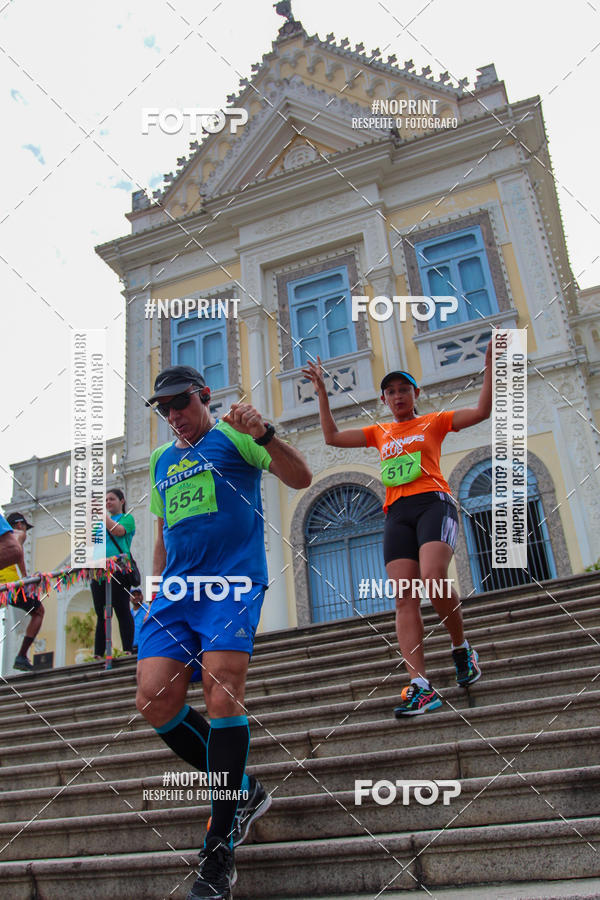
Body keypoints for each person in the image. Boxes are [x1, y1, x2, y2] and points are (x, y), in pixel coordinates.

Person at [136, 365, 311, 900]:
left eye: (180, 404)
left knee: (221, 689)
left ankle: (217, 848)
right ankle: (245, 791)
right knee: (154, 700)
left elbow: (300, 477)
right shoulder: (161, 460)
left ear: (204, 397)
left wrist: (265, 434)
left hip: (231, 584)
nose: (173, 416)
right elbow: (165, 531)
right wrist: (154, 590)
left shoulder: (236, 434)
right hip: (175, 592)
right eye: (164, 409)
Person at [302, 341, 492, 717]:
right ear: (385, 400)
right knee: (404, 598)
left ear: (415, 394)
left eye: (404, 389)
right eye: (391, 391)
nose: (398, 395)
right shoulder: (379, 433)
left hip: (433, 503)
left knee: (434, 577)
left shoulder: (434, 422)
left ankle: (461, 647)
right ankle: (421, 687)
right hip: (397, 513)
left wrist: (489, 370)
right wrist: (322, 394)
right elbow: (332, 438)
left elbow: (483, 411)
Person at [90, 489, 135, 659]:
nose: (108, 502)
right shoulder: (99, 524)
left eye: (112, 499)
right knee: (101, 612)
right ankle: (98, 652)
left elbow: (118, 531)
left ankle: (127, 648)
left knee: (122, 607)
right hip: (99, 571)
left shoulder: (127, 519)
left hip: (119, 568)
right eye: (106, 500)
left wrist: (102, 515)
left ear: (122, 501)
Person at [0, 512, 44, 672]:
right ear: (20, 525)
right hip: (10, 586)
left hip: (3, 587)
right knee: (38, 612)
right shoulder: (18, 533)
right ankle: (21, 656)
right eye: (25, 527)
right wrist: (25, 578)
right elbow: (18, 553)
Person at [130, 587, 146, 653]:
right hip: (132, 648)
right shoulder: (128, 614)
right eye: (134, 595)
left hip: (144, 647)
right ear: (130, 598)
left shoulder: (148, 611)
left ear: (142, 596)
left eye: (138, 594)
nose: (136, 597)